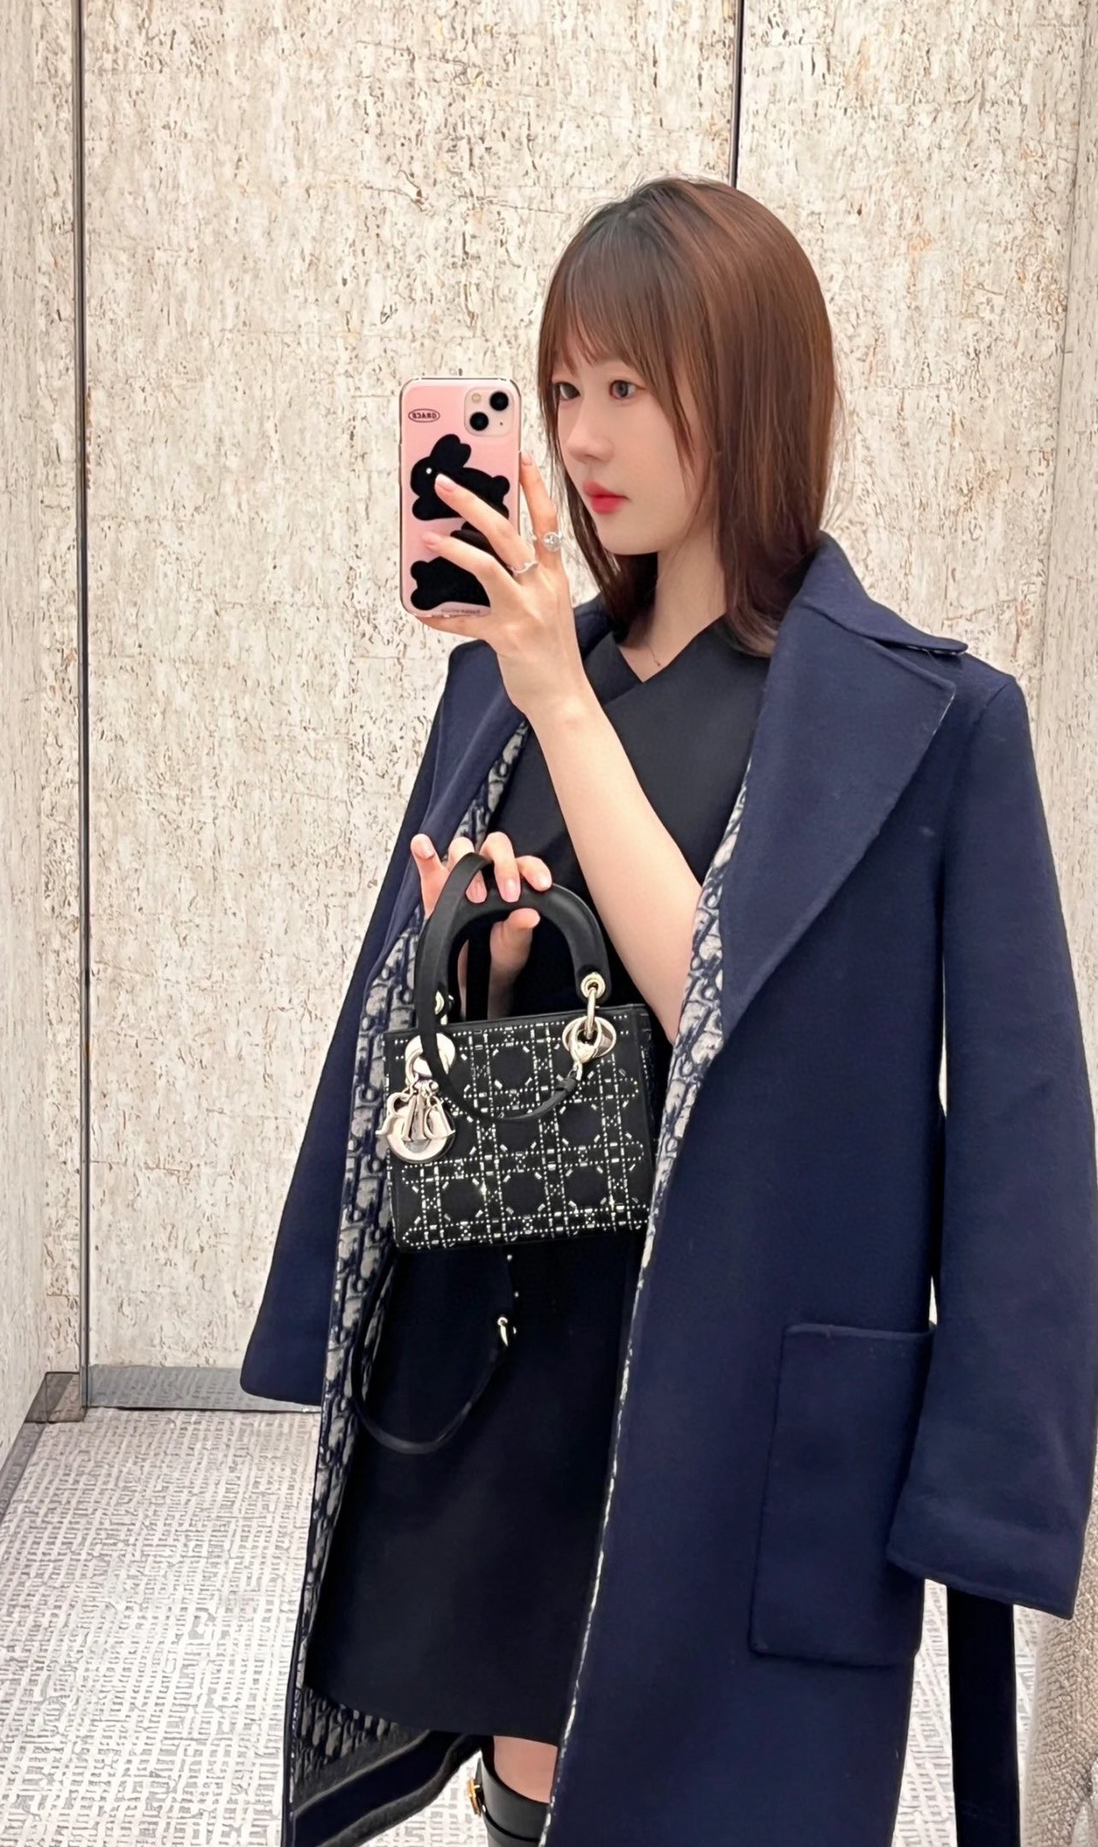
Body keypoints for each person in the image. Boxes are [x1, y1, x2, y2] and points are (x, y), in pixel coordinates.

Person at [240, 175, 1098, 1847]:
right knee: (535, 1778)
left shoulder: (932, 723)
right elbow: (489, 1031)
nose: (582, 435)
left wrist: (997, 1475)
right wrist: (488, 968)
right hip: (531, 1358)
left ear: (750, 387)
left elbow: (994, 1119)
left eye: (629, 384)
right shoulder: (502, 685)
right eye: (563, 385)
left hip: (749, 1392)